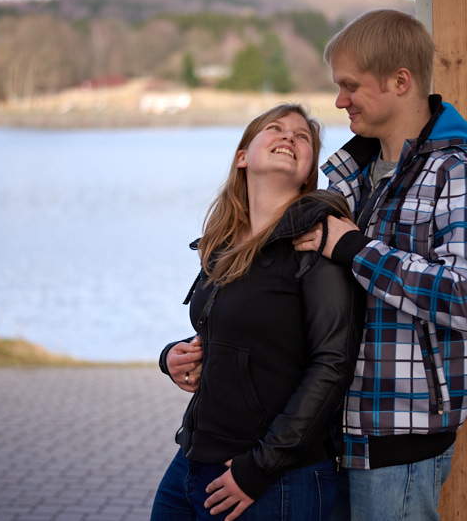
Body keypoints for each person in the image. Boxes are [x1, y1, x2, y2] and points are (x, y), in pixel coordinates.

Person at [291, 9, 467, 520]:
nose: (339, 100)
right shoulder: (350, 176)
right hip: (326, 436)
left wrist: (354, 249)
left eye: (350, 86)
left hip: (400, 443)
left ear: (400, 81)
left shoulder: (465, 171)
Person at [151, 103, 364, 521]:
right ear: (243, 157)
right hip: (192, 461)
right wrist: (173, 357)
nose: (289, 137)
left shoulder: (316, 239)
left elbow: (332, 364)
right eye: (275, 128)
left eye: (303, 137)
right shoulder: (224, 243)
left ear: (308, 172)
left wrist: (259, 468)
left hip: (272, 481)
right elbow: (230, 335)